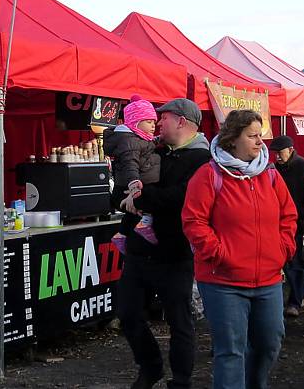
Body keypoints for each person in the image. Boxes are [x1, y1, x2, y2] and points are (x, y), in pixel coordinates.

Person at [182, 110, 297, 389]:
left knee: (270, 342)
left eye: (261, 135)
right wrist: (220, 254)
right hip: (223, 281)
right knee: (230, 351)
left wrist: (282, 250)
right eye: (252, 135)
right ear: (233, 139)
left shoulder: (269, 175)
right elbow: (193, 221)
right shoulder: (208, 175)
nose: (260, 142)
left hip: (268, 278)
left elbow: (288, 216)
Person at [117, 98, 211, 389]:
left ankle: (181, 381)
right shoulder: (151, 148)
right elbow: (121, 187)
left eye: (163, 117)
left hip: (175, 254)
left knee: (179, 321)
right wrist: (127, 196)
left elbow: (181, 199)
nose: (157, 122)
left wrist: (140, 199)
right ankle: (151, 367)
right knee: (128, 314)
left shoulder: (203, 160)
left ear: (182, 121)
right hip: (139, 251)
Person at [104, 94, 161, 253]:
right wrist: (134, 183)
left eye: (154, 122)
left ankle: (122, 234)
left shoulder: (138, 139)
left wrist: (159, 139)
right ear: (136, 123)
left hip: (134, 184)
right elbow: (131, 164)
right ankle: (144, 224)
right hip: (130, 186)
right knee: (145, 205)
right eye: (149, 122)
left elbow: (147, 147)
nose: (153, 126)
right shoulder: (130, 142)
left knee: (134, 211)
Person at [268, 134, 304, 317]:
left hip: (299, 223)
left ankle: (294, 302)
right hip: (279, 223)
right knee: (287, 263)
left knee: (297, 264)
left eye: (280, 153)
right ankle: (301, 292)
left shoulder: (303, 166)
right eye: (275, 153)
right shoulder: (273, 169)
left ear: (291, 150)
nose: (277, 157)